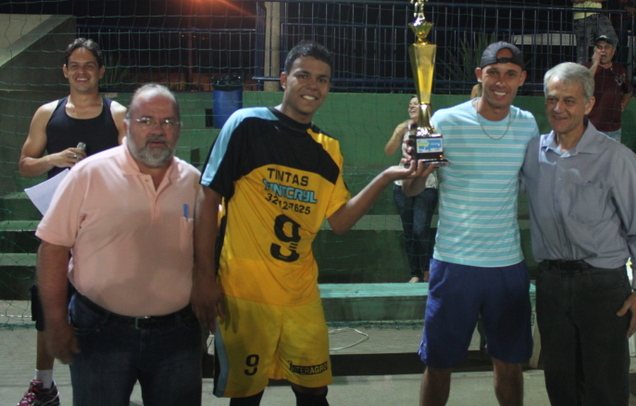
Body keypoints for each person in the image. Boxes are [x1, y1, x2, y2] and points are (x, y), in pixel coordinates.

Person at [191, 41, 421, 406]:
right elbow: (207, 200)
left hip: (300, 295)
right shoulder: (247, 124)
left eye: (322, 79)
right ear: (284, 79)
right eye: (303, 75)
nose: (313, 85)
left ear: (329, 88)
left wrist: (384, 177)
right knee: (247, 396)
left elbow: (340, 221)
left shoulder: (328, 149)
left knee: (314, 391)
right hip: (244, 291)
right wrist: (203, 277)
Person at [36, 83, 203, 406]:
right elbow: (52, 247)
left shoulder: (193, 181)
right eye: (146, 120)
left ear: (179, 128)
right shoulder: (88, 174)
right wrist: (55, 321)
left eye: (168, 121)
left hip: (178, 336)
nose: (158, 130)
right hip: (99, 333)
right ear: (126, 126)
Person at [404, 41, 539, 406]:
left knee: (510, 364)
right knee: (438, 364)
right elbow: (412, 189)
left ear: (522, 78)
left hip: (506, 267)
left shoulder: (527, 125)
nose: (501, 82)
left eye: (510, 74)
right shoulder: (445, 120)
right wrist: (417, 171)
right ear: (480, 75)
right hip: (453, 265)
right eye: (493, 73)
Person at [521, 62, 636, 406]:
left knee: (605, 388)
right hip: (551, 285)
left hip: (603, 287)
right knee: (561, 386)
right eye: (552, 99)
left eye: (569, 101)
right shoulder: (532, 154)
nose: (559, 108)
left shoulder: (616, 158)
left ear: (589, 104)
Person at [17, 38, 126, 406]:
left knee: (106, 305)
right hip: (60, 228)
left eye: (89, 65)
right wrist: (53, 160)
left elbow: (135, 164)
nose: (82, 72)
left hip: (103, 228)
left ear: (101, 71)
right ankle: (43, 386)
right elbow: (25, 165)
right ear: (64, 71)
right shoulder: (47, 113)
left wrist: (97, 168)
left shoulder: (117, 114)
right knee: (47, 303)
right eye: (75, 66)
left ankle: (109, 385)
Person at [385, 96, 438, 283]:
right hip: (402, 185)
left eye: (416, 103)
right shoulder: (405, 127)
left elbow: (437, 158)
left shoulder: (434, 127)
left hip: (426, 185)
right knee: (409, 232)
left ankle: (427, 271)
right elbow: (389, 151)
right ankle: (415, 274)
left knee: (420, 230)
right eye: (410, 105)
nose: (411, 106)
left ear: (427, 108)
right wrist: (398, 131)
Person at [583, 35, 632, 142]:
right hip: (588, 128)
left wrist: (623, 104)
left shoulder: (620, 70)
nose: (603, 50)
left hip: (613, 129)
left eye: (607, 47)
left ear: (613, 51)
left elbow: (628, 91)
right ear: (594, 50)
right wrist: (595, 64)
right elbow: (583, 85)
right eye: (599, 47)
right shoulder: (585, 68)